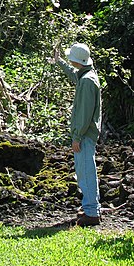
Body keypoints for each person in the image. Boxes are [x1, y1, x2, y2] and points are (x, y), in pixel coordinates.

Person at [52, 42, 102, 226]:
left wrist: (77, 136)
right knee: (86, 169)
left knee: (85, 171)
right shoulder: (86, 75)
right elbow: (74, 76)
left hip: (84, 134)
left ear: (76, 60)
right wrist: (59, 63)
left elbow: (84, 113)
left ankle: (91, 212)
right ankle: (91, 207)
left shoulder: (87, 81)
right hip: (86, 133)